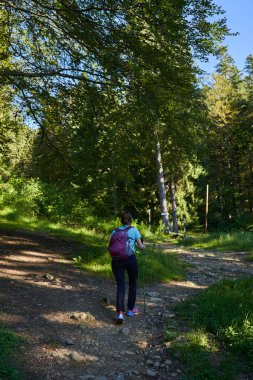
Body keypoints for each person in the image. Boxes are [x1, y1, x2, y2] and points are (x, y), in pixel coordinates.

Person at [110, 212, 145, 324]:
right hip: (130, 259)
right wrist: (144, 246)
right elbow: (140, 246)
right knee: (133, 283)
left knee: (121, 286)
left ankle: (120, 313)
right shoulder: (134, 230)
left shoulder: (115, 231)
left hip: (116, 261)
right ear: (131, 220)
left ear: (121, 220)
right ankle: (130, 310)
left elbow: (110, 246)